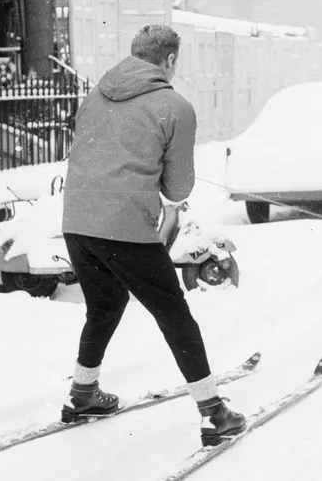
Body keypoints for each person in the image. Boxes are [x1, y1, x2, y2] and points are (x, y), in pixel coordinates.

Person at [60, 24, 246, 445]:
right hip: (124, 226)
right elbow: (177, 190)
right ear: (170, 61)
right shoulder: (175, 106)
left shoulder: (95, 94)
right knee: (174, 314)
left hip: (77, 221)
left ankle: (83, 393)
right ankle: (214, 414)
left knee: (105, 304)